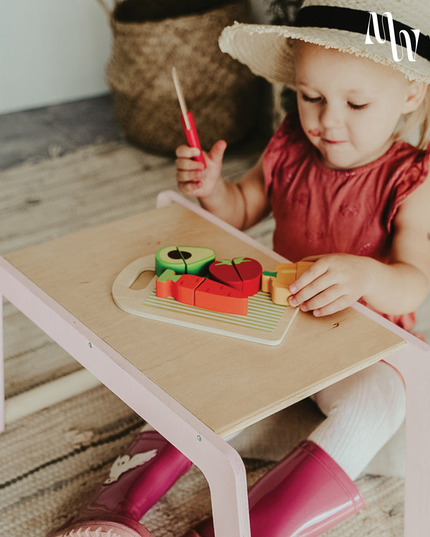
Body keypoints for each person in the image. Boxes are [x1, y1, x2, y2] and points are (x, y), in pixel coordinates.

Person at [174, 1, 430, 536]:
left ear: (410, 93)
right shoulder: (289, 144)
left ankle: (253, 526)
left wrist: (364, 275)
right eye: (310, 97)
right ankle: (132, 496)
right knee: (186, 369)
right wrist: (212, 189)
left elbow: (412, 285)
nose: (326, 120)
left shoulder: (410, 182)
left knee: (386, 402)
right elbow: (242, 208)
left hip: (357, 351)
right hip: (278, 325)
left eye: (356, 104)